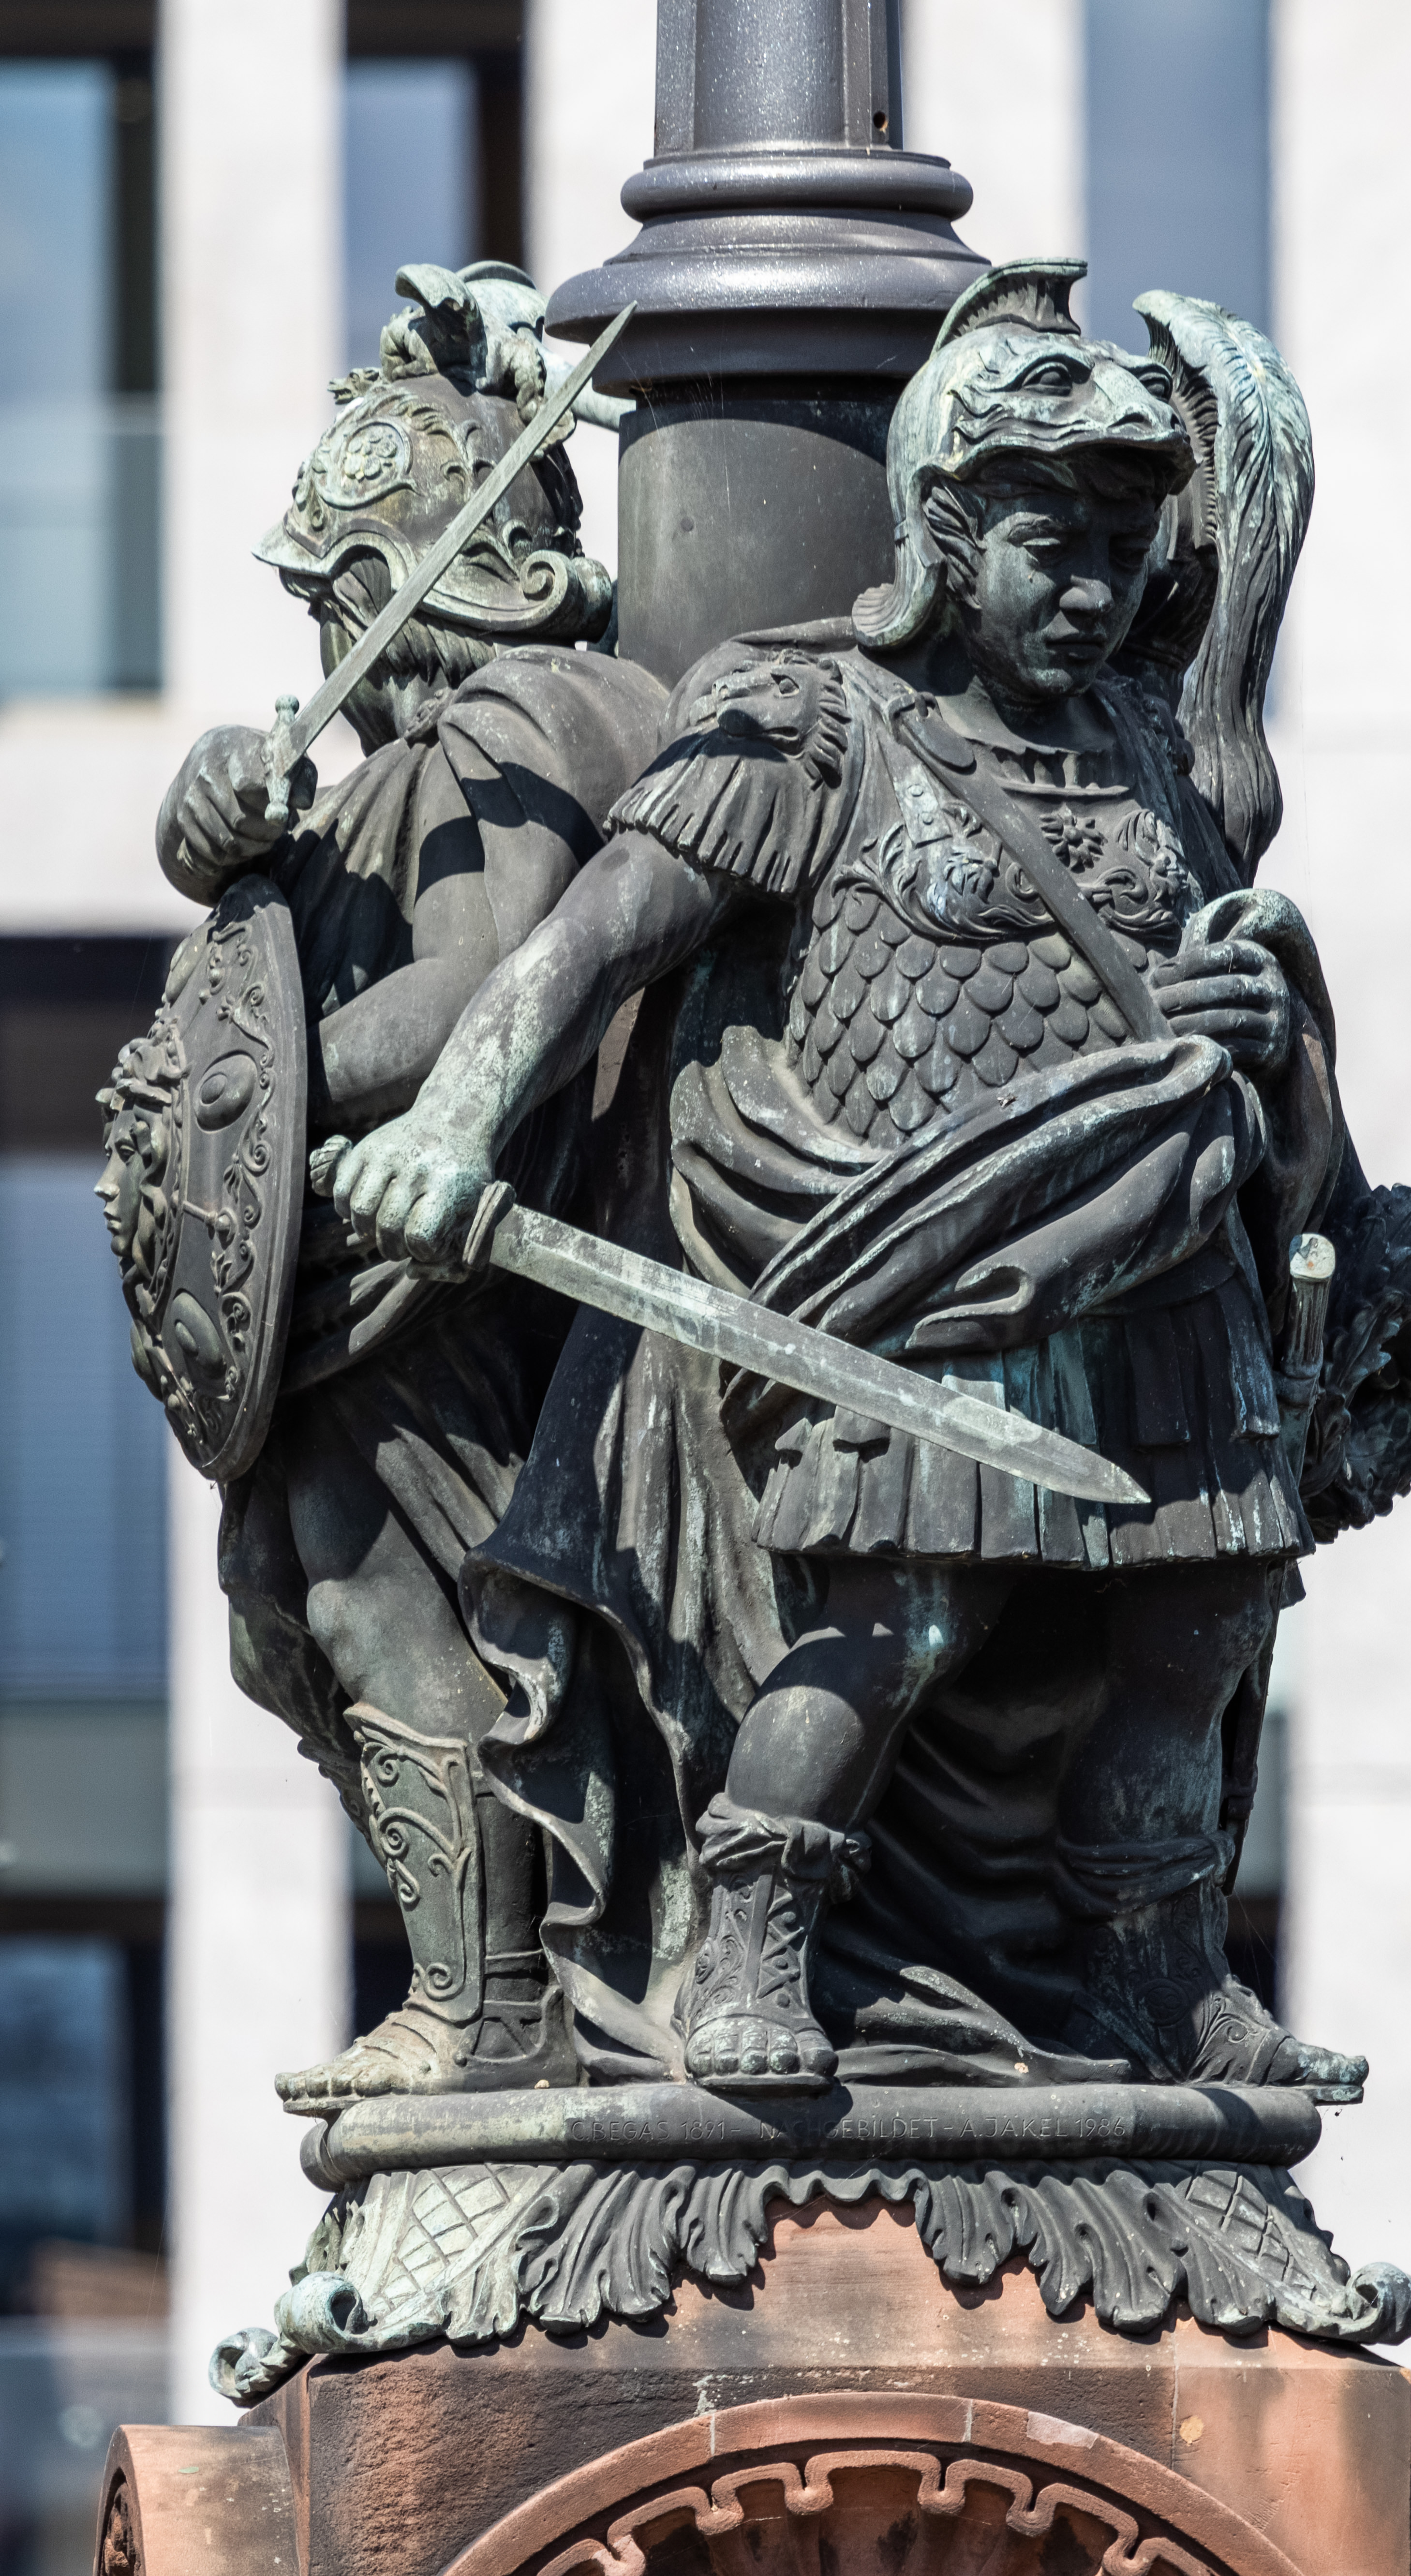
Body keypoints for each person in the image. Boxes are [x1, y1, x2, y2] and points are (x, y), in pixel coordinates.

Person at [324, 263, 1411, 2100]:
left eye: (1122, 546)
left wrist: (1254, 1014)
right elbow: (591, 947)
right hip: (905, 1280)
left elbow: (1227, 962)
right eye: (1050, 544)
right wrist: (451, 1126)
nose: (1092, 586)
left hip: (1155, 1267)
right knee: (891, 1623)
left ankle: (1161, 1972)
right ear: (943, 533)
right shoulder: (807, 722)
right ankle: (749, 1938)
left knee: (1190, 1630)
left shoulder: (1150, 750)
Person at [153, 261, 665, 2107]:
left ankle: (487, 1998)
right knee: (319, 1594)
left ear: (403, 585)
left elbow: (481, 984)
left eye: (335, 607)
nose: (323, 659)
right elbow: (261, 948)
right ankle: (475, 1985)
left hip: (454, 1262)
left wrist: (253, 1100)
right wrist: (214, 829)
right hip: (363, 1262)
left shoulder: (519, 721)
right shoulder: (401, 769)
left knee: (381, 1596)